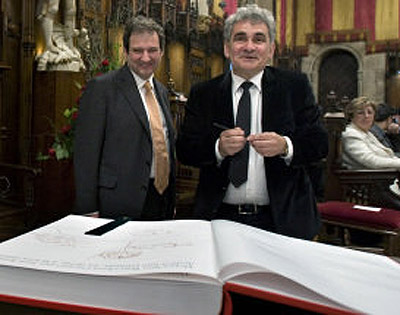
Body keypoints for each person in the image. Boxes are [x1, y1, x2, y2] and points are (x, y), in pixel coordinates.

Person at [176, 5, 328, 240]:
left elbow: (319, 144)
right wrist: (218, 148)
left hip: (283, 220)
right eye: (240, 39)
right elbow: (185, 149)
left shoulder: (295, 87)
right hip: (220, 218)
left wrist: (285, 146)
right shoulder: (204, 93)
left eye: (259, 39)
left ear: (271, 50)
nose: (249, 47)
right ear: (227, 48)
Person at [74, 15, 176, 220]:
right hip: (117, 204)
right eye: (138, 50)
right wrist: (87, 208)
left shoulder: (163, 93)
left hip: (159, 201)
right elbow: (86, 154)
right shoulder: (102, 89)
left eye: (152, 50)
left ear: (161, 52)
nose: (145, 57)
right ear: (126, 51)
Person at [342, 97, 400, 170]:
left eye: (370, 112)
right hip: (367, 179)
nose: (366, 116)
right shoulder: (351, 134)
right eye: (360, 113)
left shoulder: (366, 132)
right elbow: (371, 161)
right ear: (351, 116)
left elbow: (390, 156)